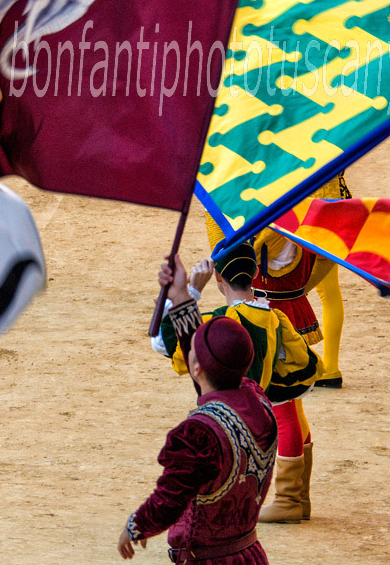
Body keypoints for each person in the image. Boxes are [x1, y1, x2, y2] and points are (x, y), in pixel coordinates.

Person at [122, 255, 277, 563]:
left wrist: (136, 525)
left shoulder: (200, 433)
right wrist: (181, 293)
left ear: (195, 368)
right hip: (249, 555)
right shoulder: (257, 400)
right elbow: (209, 373)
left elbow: (170, 498)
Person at [155, 241, 321, 525]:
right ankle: (294, 499)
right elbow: (307, 369)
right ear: (256, 271)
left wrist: (190, 291)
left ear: (218, 277)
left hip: (219, 427)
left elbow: (162, 342)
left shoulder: (219, 323)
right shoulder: (276, 319)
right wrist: (271, 391)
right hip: (260, 429)